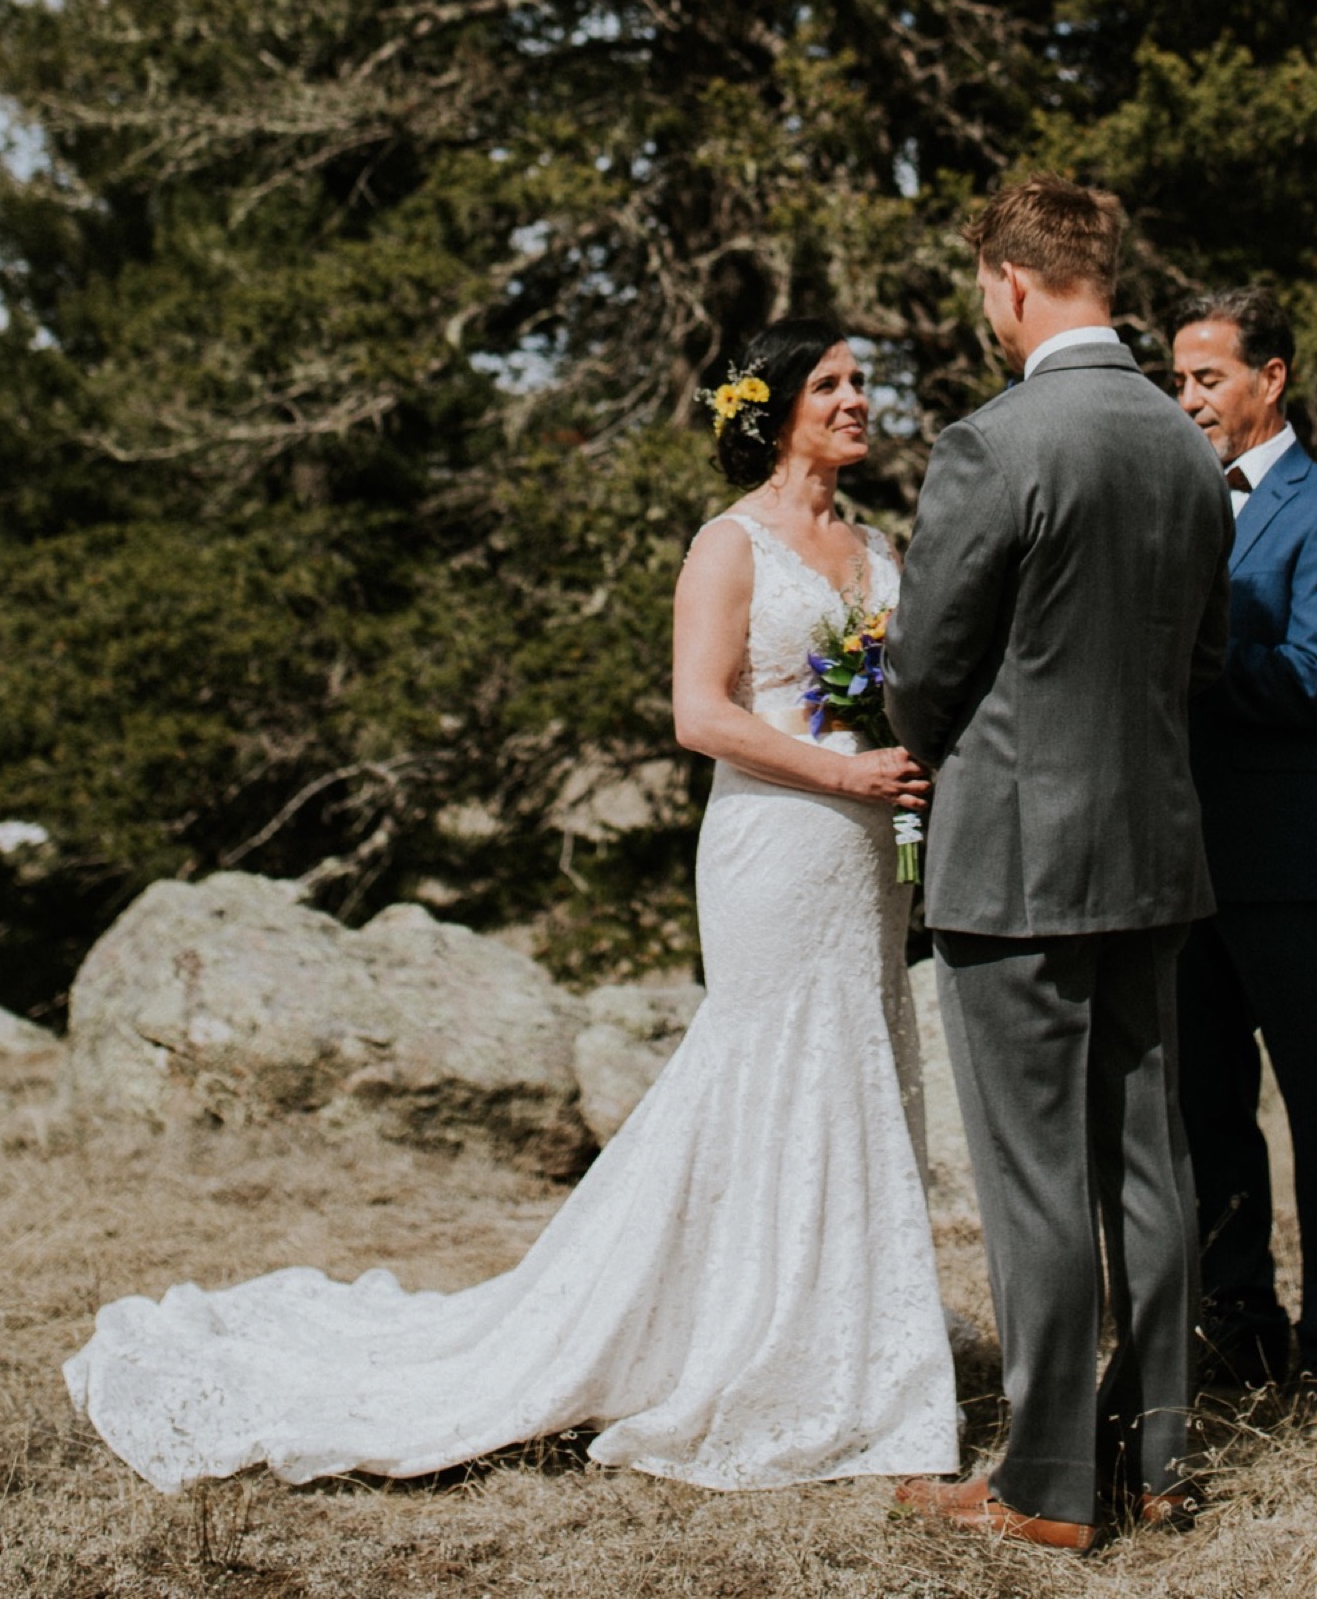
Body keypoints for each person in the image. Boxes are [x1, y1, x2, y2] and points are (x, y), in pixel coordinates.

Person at [65, 321, 958, 1495]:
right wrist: (843, 770)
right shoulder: (727, 544)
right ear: (775, 405)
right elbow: (698, 713)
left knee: (851, 1070)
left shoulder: (877, 543)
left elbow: (901, 688)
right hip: (775, 848)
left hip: (862, 859)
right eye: (830, 383)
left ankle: (832, 1349)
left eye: (859, 382)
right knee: (766, 1074)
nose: (854, 399)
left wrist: (901, 763)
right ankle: (736, 1346)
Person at [885, 177, 1231, 1553]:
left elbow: (923, 671)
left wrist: (928, 736)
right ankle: (1155, 1456)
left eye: (983, 287)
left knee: (1034, 1176)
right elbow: (1202, 662)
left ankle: (1041, 1481)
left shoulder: (997, 442)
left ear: (1017, 285)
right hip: (1156, 856)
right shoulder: (1187, 447)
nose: (985, 309)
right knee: (1149, 1162)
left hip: (1017, 863)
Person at [1170, 287, 1317, 1398]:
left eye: (1208, 375)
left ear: (1272, 377)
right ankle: (1236, 1322)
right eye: (1179, 379)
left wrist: (1182, 653)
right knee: (1206, 1108)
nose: (1189, 396)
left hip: (1294, 869)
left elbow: (1315, 681)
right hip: (1183, 867)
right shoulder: (1170, 503)